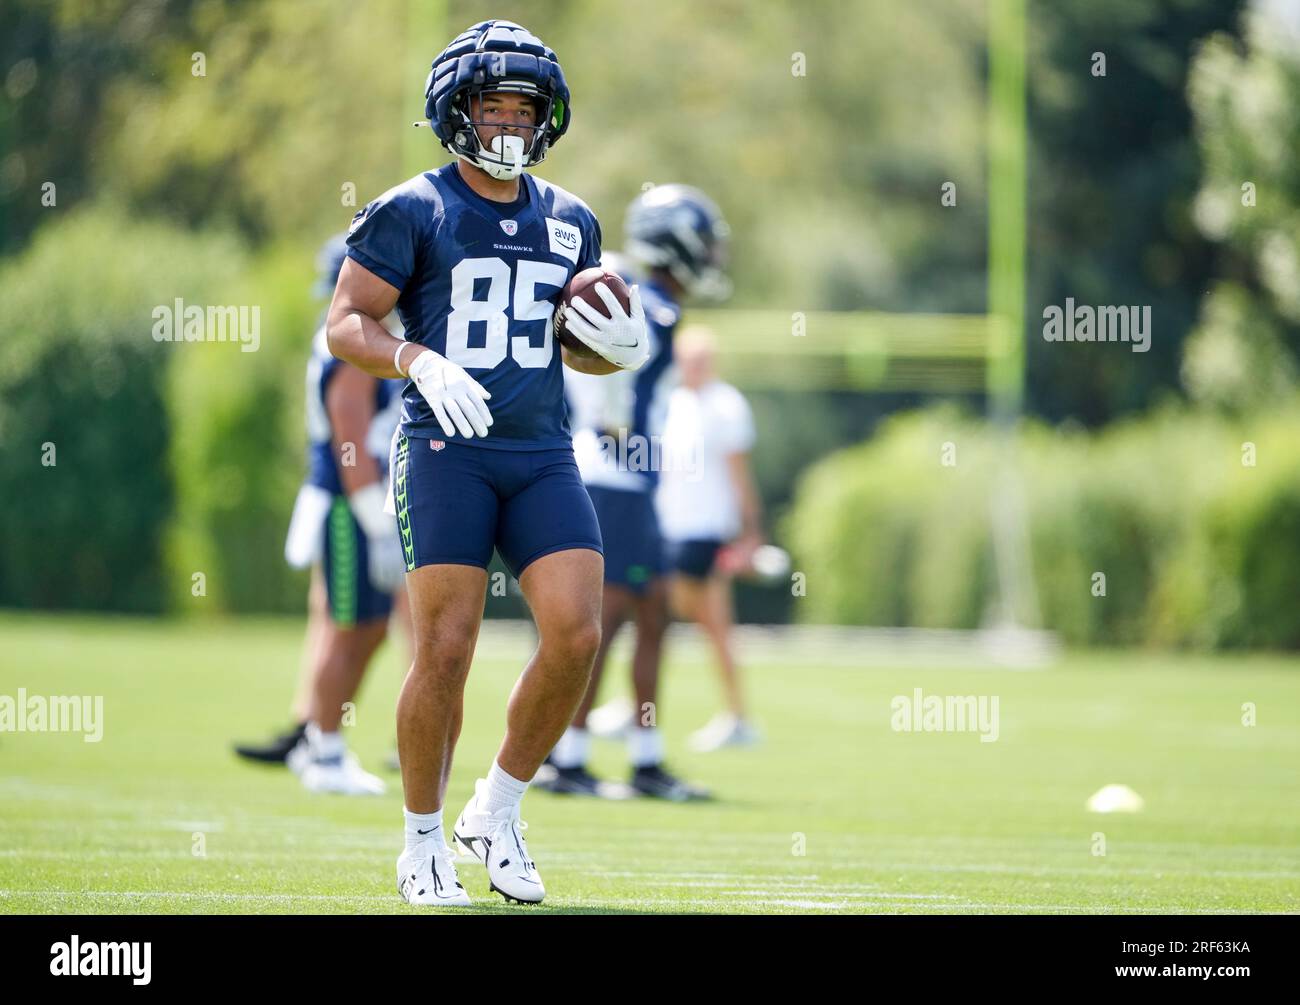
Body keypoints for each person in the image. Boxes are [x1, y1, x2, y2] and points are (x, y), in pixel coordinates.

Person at [325, 20, 649, 906]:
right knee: (446, 646)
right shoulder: (413, 207)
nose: (510, 121)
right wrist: (414, 358)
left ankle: (496, 807)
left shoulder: (574, 219)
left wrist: (608, 348)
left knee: (578, 633)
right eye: (493, 104)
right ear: (456, 109)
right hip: (443, 449)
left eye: (524, 107)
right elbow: (346, 322)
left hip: (540, 449)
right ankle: (421, 841)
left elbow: (571, 341)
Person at [542, 185, 731, 800]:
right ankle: (565, 757)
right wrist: (616, 435)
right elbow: (600, 386)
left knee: (652, 616)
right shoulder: (646, 306)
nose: (708, 255)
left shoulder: (652, 303)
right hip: (610, 478)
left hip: (629, 481)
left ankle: (645, 760)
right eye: (701, 242)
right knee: (605, 624)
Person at [234, 236, 410, 794]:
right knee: (350, 626)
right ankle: (323, 749)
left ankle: (321, 742)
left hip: (354, 500)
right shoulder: (350, 345)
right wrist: (374, 520)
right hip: (348, 501)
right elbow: (349, 435)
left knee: (369, 626)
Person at [656, 327, 765, 752]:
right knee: (658, 616)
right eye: (688, 358)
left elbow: (740, 476)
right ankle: (636, 708)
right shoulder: (671, 402)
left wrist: (750, 532)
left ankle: (738, 716)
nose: (694, 366)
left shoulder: (726, 404)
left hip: (707, 532)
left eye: (702, 358)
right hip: (666, 529)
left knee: (713, 625)